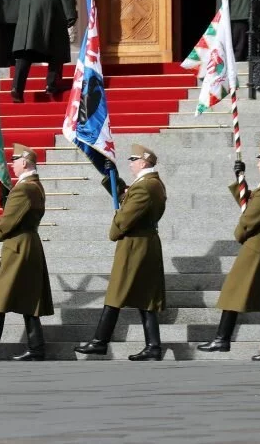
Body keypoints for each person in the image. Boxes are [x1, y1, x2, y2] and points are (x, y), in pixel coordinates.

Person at [74, 144, 167, 361]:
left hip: (135, 245)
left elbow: (124, 219)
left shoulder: (144, 187)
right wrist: (111, 177)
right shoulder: (151, 184)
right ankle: (153, 346)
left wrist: (115, 225)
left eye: (133, 160)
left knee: (116, 292)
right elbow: (128, 197)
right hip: (144, 242)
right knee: (145, 297)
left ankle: (100, 341)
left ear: (143, 162)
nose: (130, 163)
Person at [198, 142, 260, 360]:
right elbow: (251, 204)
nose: (258, 162)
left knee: (234, 288)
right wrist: (241, 180)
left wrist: (240, 233)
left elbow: (250, 217)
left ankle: (222, 339)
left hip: (259, 243)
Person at [0, 144, 52, 361]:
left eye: (14, 160)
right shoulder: (33, 185)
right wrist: (5, 195)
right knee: (28, 297)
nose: (12, 164)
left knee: (1, 296)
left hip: (17, 246)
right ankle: (36, 346)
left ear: (24, 162)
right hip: (27, 243)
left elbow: (6, 224)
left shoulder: (24, 188)